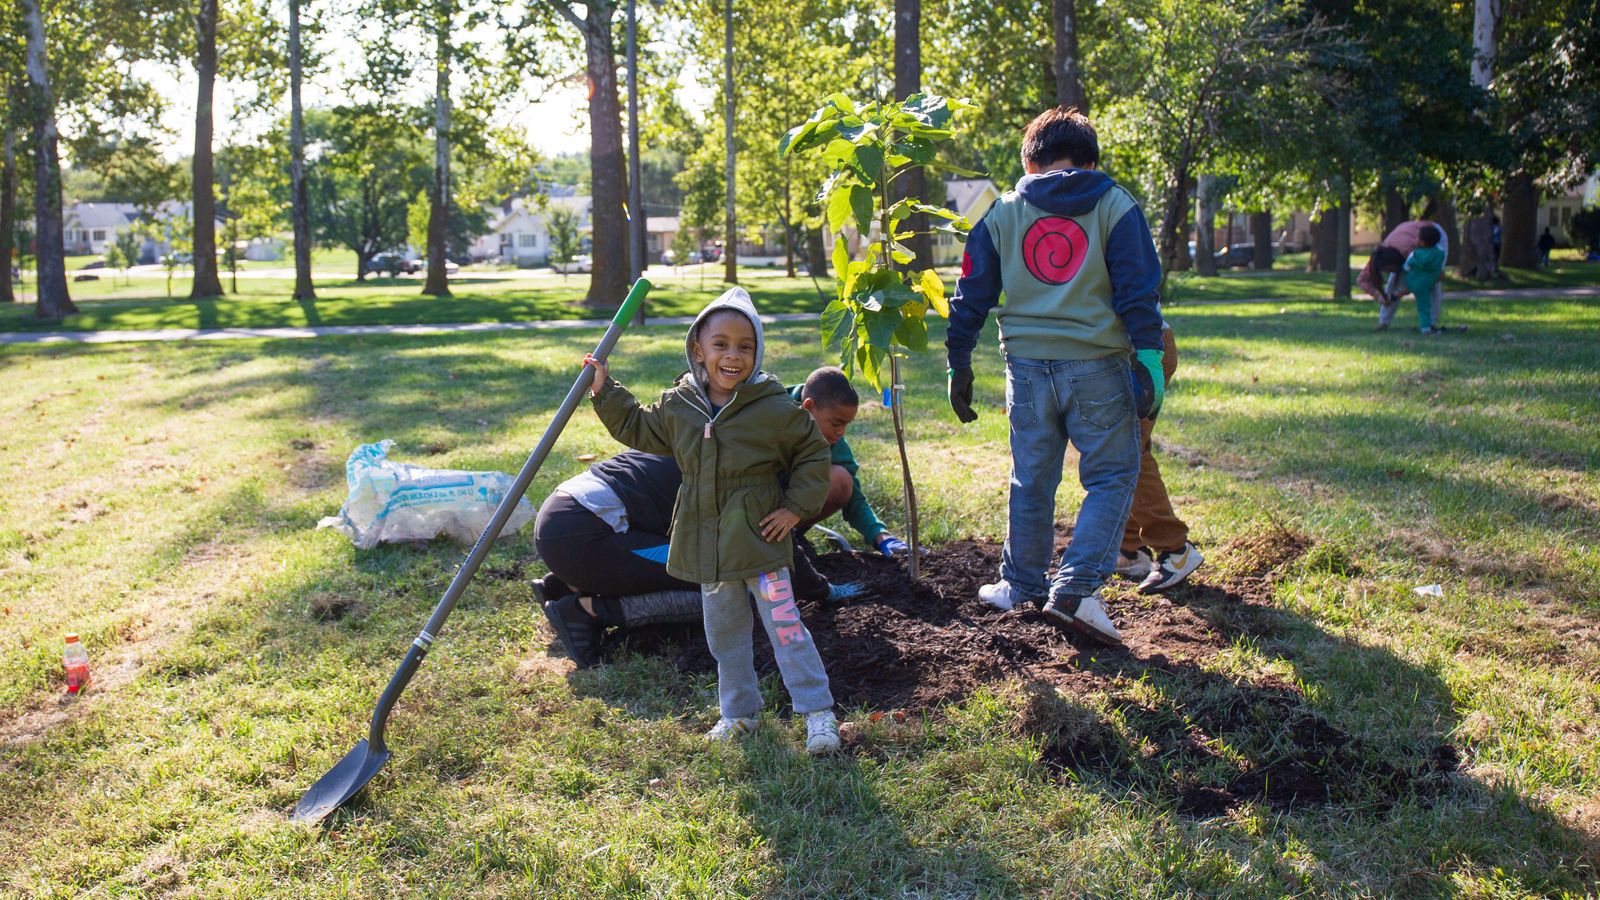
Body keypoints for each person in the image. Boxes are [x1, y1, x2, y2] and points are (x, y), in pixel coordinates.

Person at [945, 106, 1165, 646]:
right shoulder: (1115, 205)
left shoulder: (1001, 213)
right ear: (1091, 161)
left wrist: (959, 361)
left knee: (1032, 479)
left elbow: (969, 296)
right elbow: (1139, 293)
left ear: (1028, 161)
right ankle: (1076, 591)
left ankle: (1020, 585)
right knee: (1113, 477)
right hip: (1098, 367)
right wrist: (1151, 361)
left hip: (1026, 369)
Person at [586, 287, 841, 753]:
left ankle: (817, 713)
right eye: (720, 344)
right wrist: (606, 390)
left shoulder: (773, 407)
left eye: (745, 346)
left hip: (759, 539)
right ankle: (740, 713)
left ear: (757, 353)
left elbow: (812, 453)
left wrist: (795, 508)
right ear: (698, 350)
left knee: (786, 629)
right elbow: (640, 428)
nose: (733, 355)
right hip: (708, 541)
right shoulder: (679, 405)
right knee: (724, 635)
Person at [535, 366, 898, 667]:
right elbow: (773, 541)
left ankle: (567, 583)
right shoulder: (765, 455)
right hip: (584, 530)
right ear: (805, 407)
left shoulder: (742, 420)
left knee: (701, 557)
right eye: (836, 424)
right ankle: (588, 610)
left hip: (572, 514)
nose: (839, 436)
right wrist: (822, 590)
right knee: (726, 585)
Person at [1115, 320, 1204, 592]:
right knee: (1128, 448)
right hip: (1125, 349)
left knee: (1126, 452)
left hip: (1142, 351)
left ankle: (1175, 549)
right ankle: (1130, 547)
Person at [1357, 220, 1449, 331]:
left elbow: (1433, 278)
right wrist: (1378, 295)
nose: (1389, 272)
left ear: (1398, 262)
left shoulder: (1415, 249)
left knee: (1430, 281)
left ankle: (1431, 323)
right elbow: (1361, 280)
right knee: (1392, 282)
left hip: (1433, 234)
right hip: (1408, 235)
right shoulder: (1380, 255)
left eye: (1391, 269)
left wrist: (1403, 291)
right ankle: (1383, 323)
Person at [1404, 225, 1447, 334]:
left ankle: (1426, 328)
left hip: (1413, 281)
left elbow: (1406, 266)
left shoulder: (1415, 254)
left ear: (1422, 243)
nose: (1415, 240)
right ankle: (1426, 328)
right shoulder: (1440, 253)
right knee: (1425, 307)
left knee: (1423, 306)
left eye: (1417, 238)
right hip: (1427, 284)